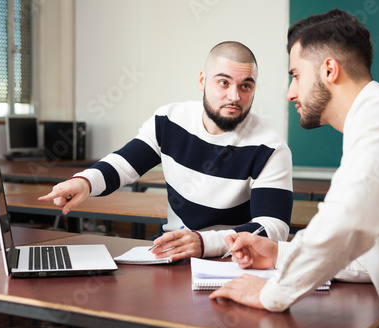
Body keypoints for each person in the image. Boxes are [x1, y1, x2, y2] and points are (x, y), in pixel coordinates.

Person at [210, 9, 379, 328]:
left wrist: (272, 292)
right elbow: (374, 256)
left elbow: (345, 224)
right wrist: (279, 253)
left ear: (329, 70)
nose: (290, 92)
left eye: (296, 75)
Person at [38, 41, 293, 261]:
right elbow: (125, 164)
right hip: (169, 249)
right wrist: (84, 182)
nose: (234, 96)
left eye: (246, 86)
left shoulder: (271, 148)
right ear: (202, 80)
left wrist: (204, 243)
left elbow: (274, 227)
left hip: (228, 260)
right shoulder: (169, 120)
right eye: (223, 82)